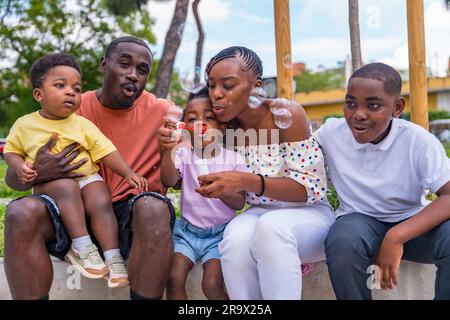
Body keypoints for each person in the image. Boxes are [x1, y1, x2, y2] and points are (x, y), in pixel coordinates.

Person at [4, 36, 175, 300]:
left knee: (153, 208)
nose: (133, 75)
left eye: (142, 70)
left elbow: (203, 128)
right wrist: (39, 170)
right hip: (70, 208)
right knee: (21, 211)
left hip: (130, 216)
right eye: (125, 64)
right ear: (104, 65)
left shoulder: (163, 111)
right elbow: (14, 181)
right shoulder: (70, 106)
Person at [195, 46, 335, 299]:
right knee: (235, 237)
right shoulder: (223, 128)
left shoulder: (286, 115)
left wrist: (246, 181)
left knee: (271, 227)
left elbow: (310, 189)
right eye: (211, 85)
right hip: (260, 214)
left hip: (309, 214)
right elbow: (237, 200)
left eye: (228, 85)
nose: (216, 94)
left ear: (256, 86)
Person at [315, 63, 450, 299]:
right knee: (343, 240)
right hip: (359, 224)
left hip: (412, 225)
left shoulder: (417, 141)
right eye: (350, 103)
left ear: (397, 107)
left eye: (373, 105)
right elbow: (296, 151)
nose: (358, 114)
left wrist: (396, 236)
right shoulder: (330, 133)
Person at [158, 87, 247, 300]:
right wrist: (169, 149)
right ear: (186, 128)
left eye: (209, 117)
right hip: (186, 233)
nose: (201, 123)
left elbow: (239, 203)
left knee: (212, 284)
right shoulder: (183, 153)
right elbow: (168, 181)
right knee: (173, 279)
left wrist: (222, 191)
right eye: (192, 119)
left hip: (219, 235)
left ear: (223, 128)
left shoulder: (234, 159)